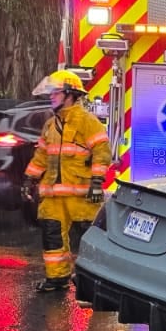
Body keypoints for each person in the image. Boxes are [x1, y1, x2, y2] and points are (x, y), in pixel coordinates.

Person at [23, 70, 111, 295]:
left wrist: (96, 182)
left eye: (56, 92)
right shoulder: (51, 125)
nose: (51, 96)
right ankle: (57, 278)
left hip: (81, 194)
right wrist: (29, 178)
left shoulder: (87, 122)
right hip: (53, 195)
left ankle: (92, 281)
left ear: (70, 94)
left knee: (88, 241)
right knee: (52, 239)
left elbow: (101, 153)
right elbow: (42, 156)